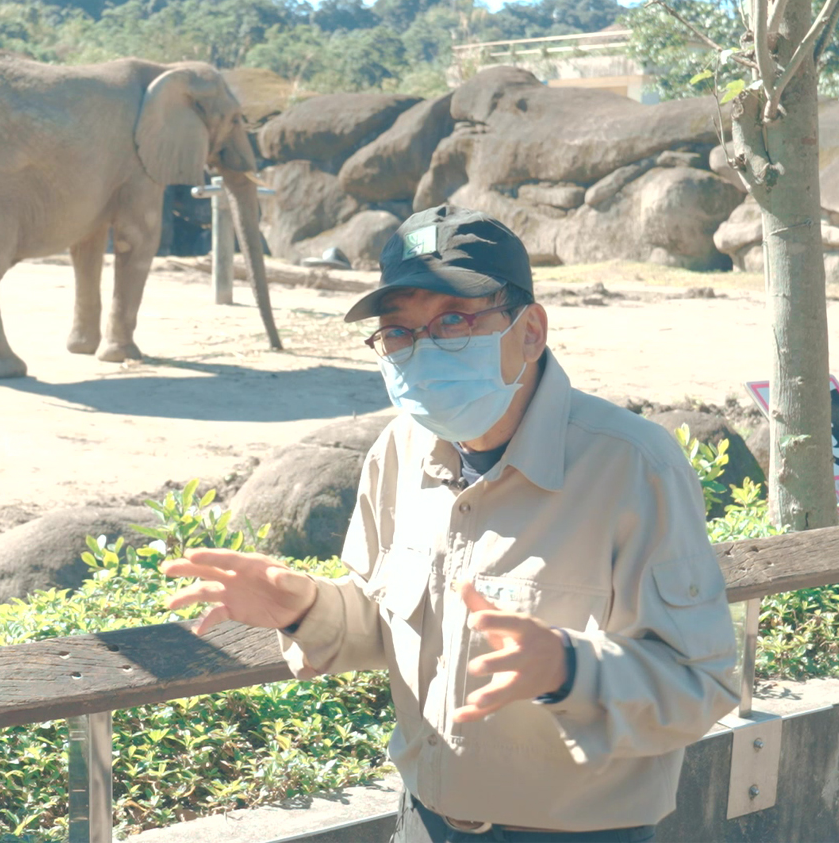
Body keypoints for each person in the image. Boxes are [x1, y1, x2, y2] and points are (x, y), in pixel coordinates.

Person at [162, 206, 739, 842]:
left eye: (455, 321)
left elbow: (700, 683)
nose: (423, 350)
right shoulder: (398, 451)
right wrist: (303, 606)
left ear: (531, 331)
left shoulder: (632, 464)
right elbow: (387, 626)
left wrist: (568, 669)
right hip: (424, 820)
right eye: (399, 332)